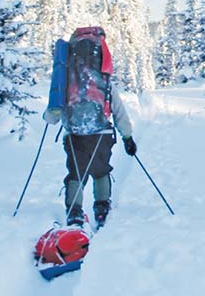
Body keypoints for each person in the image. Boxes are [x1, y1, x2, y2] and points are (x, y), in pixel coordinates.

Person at [44, 26, 137, 228]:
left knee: (76, 173)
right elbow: (118, 110)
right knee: (101, 171)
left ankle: (74, 212)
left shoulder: (67, 79)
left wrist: (49, 116)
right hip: (101, 134)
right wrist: (128, 138)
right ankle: (102, 208)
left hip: (75, 135)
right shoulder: (103, 80)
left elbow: (52, 116)